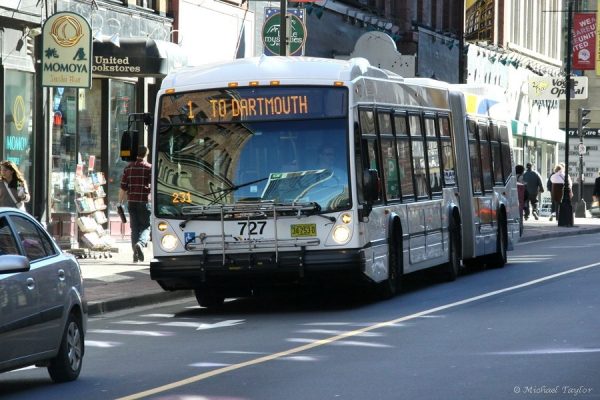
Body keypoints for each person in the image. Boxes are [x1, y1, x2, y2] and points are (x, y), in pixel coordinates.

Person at [119, 146, 152, 263]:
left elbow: (123, 187)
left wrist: (119, 202)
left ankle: (135, 254)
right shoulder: (149, 168)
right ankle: (141, 244)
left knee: (134, 228)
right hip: (144, 201)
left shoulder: (128, 168)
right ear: (146, 154)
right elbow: (153, 186)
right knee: (146, 226)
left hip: (131, 201)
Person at [515, 165, 526, 234]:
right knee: (520, 213)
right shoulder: (521, 177)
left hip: (514, 197)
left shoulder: (512, 177)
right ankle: (520, 227)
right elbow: (522, 185)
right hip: (520, 197)